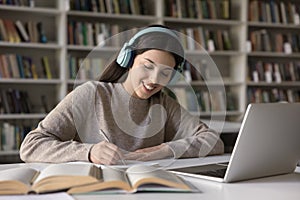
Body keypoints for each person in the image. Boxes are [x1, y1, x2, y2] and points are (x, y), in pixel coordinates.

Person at [20, 25, 224, 165]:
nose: (154, 79)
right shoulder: (92, 94)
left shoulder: (165, 104)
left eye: (165, 73)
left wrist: (163, 150)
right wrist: (89, 153)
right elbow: (31, 145)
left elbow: (213, 141)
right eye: (147, 66)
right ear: (128, 60)